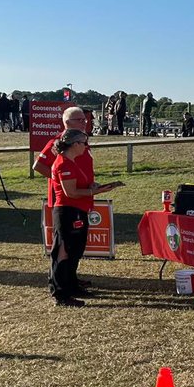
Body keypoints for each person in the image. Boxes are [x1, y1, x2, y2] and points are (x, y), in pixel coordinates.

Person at [48, 129, 122, 306]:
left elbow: (77, 186)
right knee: (63, 251)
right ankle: (60, 293)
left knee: (75, 250)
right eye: (83, 143)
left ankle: (72, 285)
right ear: (74, 144)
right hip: (67, 210)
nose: (86, 147)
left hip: (77, 209)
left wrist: (93, 186)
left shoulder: (72, 161)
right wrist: (93, 191)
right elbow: (70, 192)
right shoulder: (63, 163)